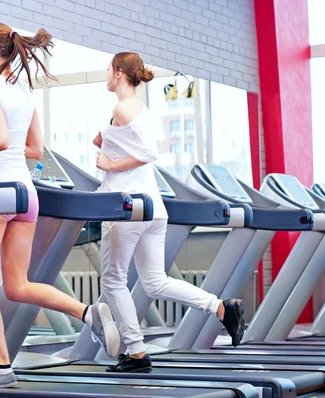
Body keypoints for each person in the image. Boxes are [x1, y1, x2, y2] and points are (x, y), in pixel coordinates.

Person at [0, 22, 120, 388]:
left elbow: (2, 140)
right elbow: (32, 149)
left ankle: (2, 369)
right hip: (25, 192)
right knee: (17, 285)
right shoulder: (22, 88)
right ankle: (88, 311)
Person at [93, 52, 245, 373]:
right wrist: (106, 139)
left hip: (128, 209)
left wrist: (108, 162)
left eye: (109, 69)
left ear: (119, 73)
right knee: (154, 282)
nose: (106, 75)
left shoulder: (121, 107)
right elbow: (135, 147)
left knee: (113, 281)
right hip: (153, 209)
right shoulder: (140, 110)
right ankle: (221, 308)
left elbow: (148, 153)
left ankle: (136, 352)